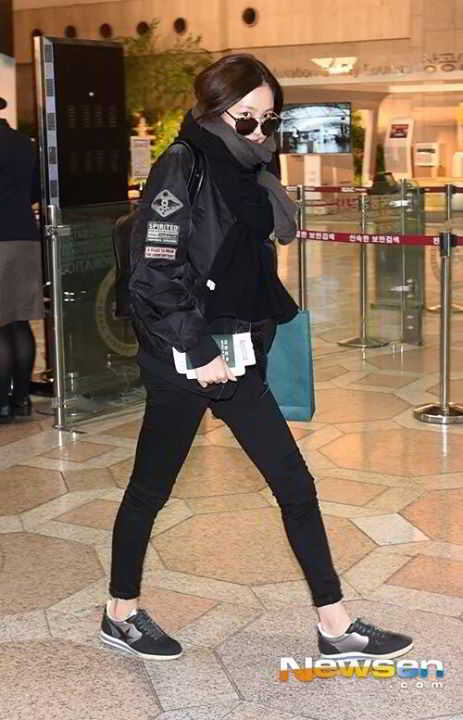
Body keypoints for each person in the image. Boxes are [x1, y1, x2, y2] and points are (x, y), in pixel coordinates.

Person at [100, 54, 413, 662]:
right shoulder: (181, 165)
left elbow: (249, 257)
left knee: (294, 483)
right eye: (246, 117)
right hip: (186, 355)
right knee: (149, 489)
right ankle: (120, 613)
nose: (259, 130)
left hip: (237, 351)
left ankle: (335, 625)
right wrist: (197, 349)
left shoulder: (251, 169)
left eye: (269, 119)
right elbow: (153, 273)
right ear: (214, 108)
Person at [0, 98, 44, 424]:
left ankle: (1, 404)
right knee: (20, 321)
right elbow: (36, 191)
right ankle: (22, 400)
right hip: (25, 236)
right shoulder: (24, 144)